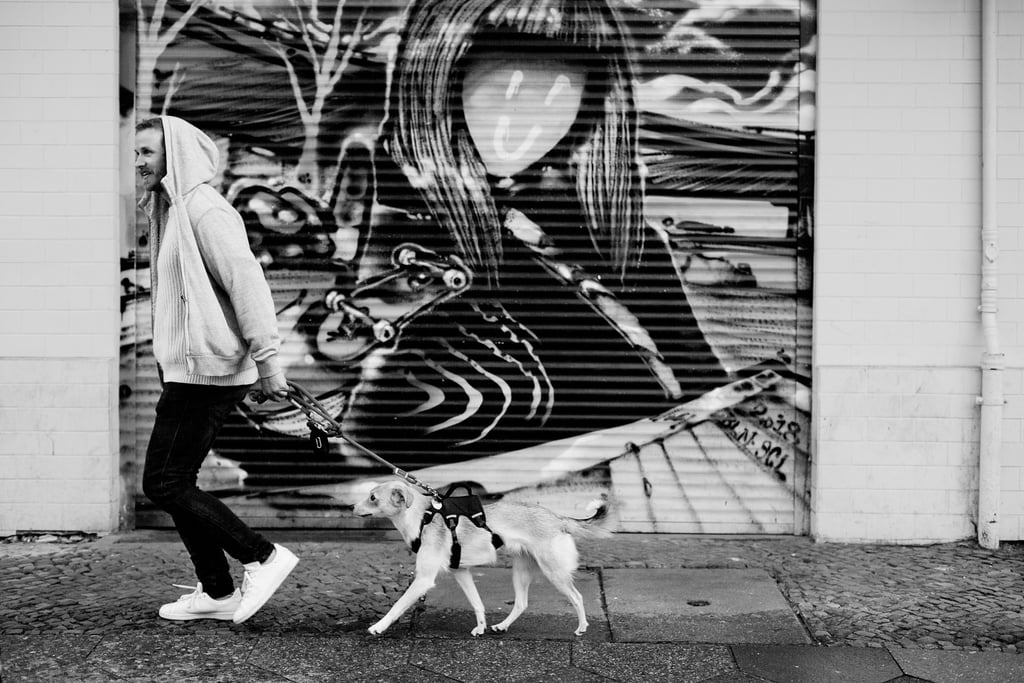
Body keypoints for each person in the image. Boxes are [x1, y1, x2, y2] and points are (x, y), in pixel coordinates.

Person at [135, 115, 298, 623]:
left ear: (175, 155)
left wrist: (268, 359)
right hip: (187, 369)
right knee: (176, 481)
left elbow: (247, 281)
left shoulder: (205, 209)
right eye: (135, 152)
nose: (137, 161)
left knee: (164, 483)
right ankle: (218, 592)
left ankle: (263, 556)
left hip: (208, 372)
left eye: (146, 152)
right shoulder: (172, 209)